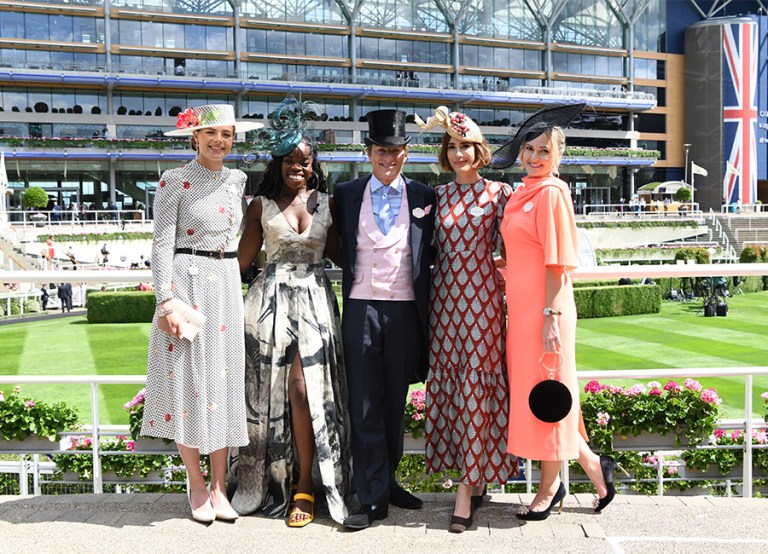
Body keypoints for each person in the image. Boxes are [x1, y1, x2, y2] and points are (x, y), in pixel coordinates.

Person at [490, 103, 616, 521]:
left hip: (547, 311)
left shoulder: (552, 193)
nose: (535, 157)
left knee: (546, 394)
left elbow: (558, 262)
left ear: (557, 155)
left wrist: (548, 319)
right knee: (545, 395)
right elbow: (519, 255)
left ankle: (550, 487)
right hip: (522, 311)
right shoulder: (522, 192)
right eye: (529, 149)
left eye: (544, 151)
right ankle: (595, 469)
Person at [139, 103, 263, 523]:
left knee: (225, 383)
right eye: (210, 134)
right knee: (191, 383)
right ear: (194, 137)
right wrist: (165, 300)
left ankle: (219, 487)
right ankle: (195, 483)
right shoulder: (173, 180)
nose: (218, 142)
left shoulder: (238, 179)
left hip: (226, 282)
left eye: (226, 135)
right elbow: (160, 244)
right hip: (187, 287)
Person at [231, 99, 350, 527]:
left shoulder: (329, 203)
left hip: (317, 302)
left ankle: (305, 485)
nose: (297, 167)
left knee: (303, 388)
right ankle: (273, 481)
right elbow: (240, 263)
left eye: (304, 160)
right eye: (290, 161)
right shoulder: (259, 206)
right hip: (268, 306)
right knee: (271, 395)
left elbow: (344, 255)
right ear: (279, 163)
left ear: (313, 163)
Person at [333, 109, 436, 530]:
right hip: (361, 307)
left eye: (395, 150)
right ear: (368, 152)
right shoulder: (345, 193)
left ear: (406, 153)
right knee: (364, 402)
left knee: (394, 401)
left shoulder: (428, 196)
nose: (388, 158)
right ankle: (372, 495)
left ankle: (387, 480)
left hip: (406, 311)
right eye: (380, 150)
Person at [415, 107, 516, 533]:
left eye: (466, 147)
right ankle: (471, 477)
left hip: (484, 301)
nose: (459, 154)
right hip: (445, 301)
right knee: (453, 385)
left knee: (477, 384)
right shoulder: (436, 197)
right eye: (452, 147)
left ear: (480, 150)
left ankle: (466, 486)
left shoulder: (499, 194)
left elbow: (513, 252)